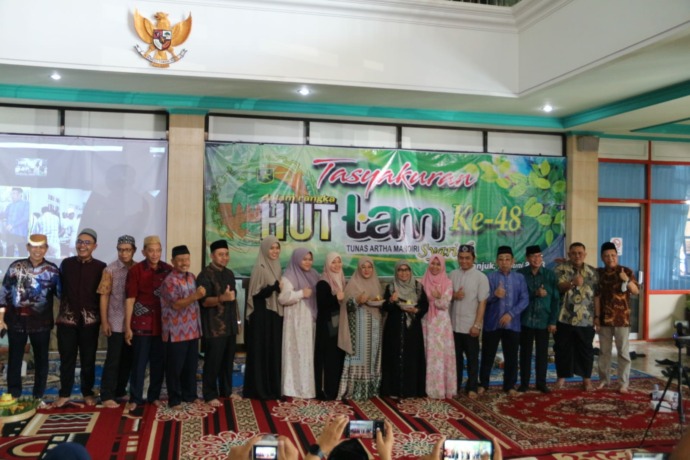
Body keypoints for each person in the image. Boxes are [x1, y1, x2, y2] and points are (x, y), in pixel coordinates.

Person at [0, 234, 60, 403]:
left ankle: (38, 396)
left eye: (41, 247)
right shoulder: (15, 267)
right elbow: (4, 293)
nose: (37, 250)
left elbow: (61, 295)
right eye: (34, 246)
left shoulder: (52, 270)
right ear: (28, 247)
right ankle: (13, 395)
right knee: (15, 359)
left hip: (41, 323)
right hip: (16, 322)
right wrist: (1, 319)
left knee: (42, 360)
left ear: (46, 249)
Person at [54, 228, 106, 408]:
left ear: (95, 246)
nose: (82, 246)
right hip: (67, 320)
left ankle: (87, 392)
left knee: (88, 359)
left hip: (90, 322)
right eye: (79, 242)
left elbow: (102, 295)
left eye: (87, 243)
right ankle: (64, 393)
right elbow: (59, 289)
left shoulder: (101, 267)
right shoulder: (66, 264)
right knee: (66, 358)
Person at [124, 235, 172, 410]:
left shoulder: (168, 270)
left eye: (158, 250)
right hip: (141, 324)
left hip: (161, 325)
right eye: (151, 251)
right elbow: (130, 299)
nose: (155, 254)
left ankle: (154, 397)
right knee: (139, 363)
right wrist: (127, 327)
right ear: (144, 252)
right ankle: (135, 398)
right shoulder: (136, 270)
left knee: (158, 363)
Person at [479, 246, 528, 395]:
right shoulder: (489, 277)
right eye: (501, 259)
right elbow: (483, 300)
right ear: (496, 261)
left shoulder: (519, 278)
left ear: (513, 261)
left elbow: (524, 299)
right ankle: (483, 384)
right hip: (492, 323)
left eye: (507, 259)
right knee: (488, 355)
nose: (504, 262)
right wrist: (495, 295)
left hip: (512, 324)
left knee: (511, 356)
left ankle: (510, 386)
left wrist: (511, 314)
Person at [196, 239, 240, 406]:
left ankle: (226, 391)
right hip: (213, 327)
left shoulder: (229, 274)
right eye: (221, 255)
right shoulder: (205, 275)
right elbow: (204, 301)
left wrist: (236, 322)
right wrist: (222, 298)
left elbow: (233, 299)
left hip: (229, 324)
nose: (224, 257)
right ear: (212, 256)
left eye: (226, 254)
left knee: (228, 361)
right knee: (213, 362)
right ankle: (209, 394)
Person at [160, 245, 204, 410]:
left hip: (192, 330)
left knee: (191, 366)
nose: (184, 262)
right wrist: (196, 296)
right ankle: (175, 400)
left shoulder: (191, 277)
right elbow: (177, 305)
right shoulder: (169, 281)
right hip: (176, 332)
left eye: (187, 259)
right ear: (173, 261)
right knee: (175, 368)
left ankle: (190, 395)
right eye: (180, 260)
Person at [554, 242, 599, 392]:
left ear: (585, 255)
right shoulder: (560, 269)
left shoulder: (592, 272)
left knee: (586, 350)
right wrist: (572, 283)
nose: (577, 256)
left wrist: (597, 316)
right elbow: (559, 288)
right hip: (564, 317)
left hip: (586, 318)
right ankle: (561, 378)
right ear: (569, 255)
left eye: (580, 253)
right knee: (562, 349)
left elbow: (597, 296)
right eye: (573, 253)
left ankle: (586, 380)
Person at [97, 235, 136, 408]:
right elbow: (104, 296)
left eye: (127, 250)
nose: (123, 253)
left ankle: (120, 391)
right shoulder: (110, 270)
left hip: (133, 322)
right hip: (115, 320)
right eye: (120, 250)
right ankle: (106, 395)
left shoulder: (138, 268)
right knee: (113, 359)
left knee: (128, 359)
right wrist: (104, 321)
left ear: (133, 251)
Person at [337, 256, 384, 400]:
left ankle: (371, 389)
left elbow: (381, 304)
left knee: (372, 357)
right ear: (359, 269)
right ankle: (354, 389)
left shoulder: (376, 284)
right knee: (358, 357)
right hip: (358, 328)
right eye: (363, 267)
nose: (366, 270)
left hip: (374, 327)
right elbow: (346, 306)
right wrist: (357, 300)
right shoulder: (353, 283)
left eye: (369, 267)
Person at [381, 260, 428, 398]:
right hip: (394, 328)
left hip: (412, 329)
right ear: (396, 272)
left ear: (410, 271)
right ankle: (393, 390)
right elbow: (385, 307)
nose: (403, 273)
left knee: (412, 357)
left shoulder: (418, 287)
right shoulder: (391, 287)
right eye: (400, 270)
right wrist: (391, 300)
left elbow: (425, 305)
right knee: (393, 357)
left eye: (406, 270)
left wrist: (416, 310)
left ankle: (411, 390)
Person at [243, 235, 283, 400]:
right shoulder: (260, 267)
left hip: (274, 314)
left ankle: (272, 388)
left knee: (273, 351)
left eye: (277, 248)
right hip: (261, 315)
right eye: (271, 248)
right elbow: (256, 294)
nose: (275, 251)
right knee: (262, 350)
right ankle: (259, 389)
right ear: (265, 249)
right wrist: (274, 287)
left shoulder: (277, 266)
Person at [597, 241, 639, 394]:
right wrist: (596, 317)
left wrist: (626, 280)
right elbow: (596, 296)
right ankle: (604, 379)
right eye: (607, 256)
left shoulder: (626, 271)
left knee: (623, 352)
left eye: (613, 255)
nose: (610, 258)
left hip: (622, 319)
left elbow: (635, 291)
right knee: (604, 352)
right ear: (602, 257)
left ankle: (623, 383)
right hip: (604, 319)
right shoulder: (599, 273)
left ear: (617, 255)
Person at [517, 245, 560, 393]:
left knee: (542, 354)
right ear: (527, 258)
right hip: (525, 320)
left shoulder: (550, 275)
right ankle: (524, 383)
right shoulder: (521, 275)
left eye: (539, 256)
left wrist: (553, 321)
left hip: (543, 320)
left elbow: (555, 300)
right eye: (533, 256)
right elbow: (518, 297)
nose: (537, 259)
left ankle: (541, 383)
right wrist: (534, 293)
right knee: (525, 353)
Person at [278, 247, 319, 399]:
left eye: (310, 259)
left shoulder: (314, 275)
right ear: (296, 259)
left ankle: (307, 388)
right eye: (304, 259)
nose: (308, 262)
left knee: (308, 353)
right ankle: (293, 389)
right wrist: (301, 293)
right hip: (295, 319)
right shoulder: (288, 276)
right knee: (296, 352)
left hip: (310, 319)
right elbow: (283, 298)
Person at [449, 244, 489, 399]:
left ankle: (472, 387)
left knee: (472, 359)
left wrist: (477, 325)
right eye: (461, 258)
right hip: (453, 326)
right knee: (456, 359)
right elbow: (447, 297)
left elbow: (482, 302)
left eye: (467, 258)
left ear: (473, 258)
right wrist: (454, 296)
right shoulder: (452, 275)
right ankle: (456, 386)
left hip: (470, 326)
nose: (464, 261)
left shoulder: (481, 277)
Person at [421, 254, 457, 399]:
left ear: (442, 266)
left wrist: (437, 297)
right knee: (428, 354)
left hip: (441, 324)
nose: (435, 267)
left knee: (441, 356)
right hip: (426, 321)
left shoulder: (447, 282)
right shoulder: (422, 281)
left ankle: (441, 389)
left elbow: (444, 304)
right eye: (432, 263)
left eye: (438, 264)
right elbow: (420, 302)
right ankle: (428, 388)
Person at [314, 252, 346, 400]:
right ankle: (326, 391)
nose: (337, 265)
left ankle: (336, 389)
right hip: (327, 325)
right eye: (333, 262)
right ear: (327, 264)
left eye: (339, 262)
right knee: (329, 357)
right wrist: (335, 297)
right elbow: (322, 305)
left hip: (339, 323)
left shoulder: (341, 280)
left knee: (337, 356)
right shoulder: (323, 282)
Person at [4, 187, 29, 257]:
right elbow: (5, 216)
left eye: (14, 193)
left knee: (23, 253)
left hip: (21, 233)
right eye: (11, 194)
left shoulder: (26, 204)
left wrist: (12, 225)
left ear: (20, 194)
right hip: (10, 233)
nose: (12, 196)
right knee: (9, 253)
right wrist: (6, 225)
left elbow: (25, 217)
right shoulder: (9, 205)